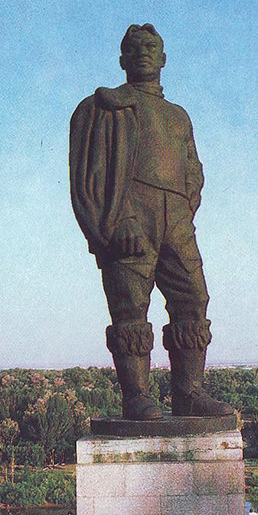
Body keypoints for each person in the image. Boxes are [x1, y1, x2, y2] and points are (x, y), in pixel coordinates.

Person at [69, 24, 235, 420]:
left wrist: (182, 207)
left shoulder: (178, 116)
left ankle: (189, 393)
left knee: (193, 298)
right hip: (129, 217)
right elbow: (87, 176)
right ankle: (137, 397)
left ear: (163, 58)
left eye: (151, 46)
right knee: (129, 306)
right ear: (122, 60)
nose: (143, 52)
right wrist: (113, 222)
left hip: (176, 218)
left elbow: (193, 168)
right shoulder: (104, 107)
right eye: (134, 47)